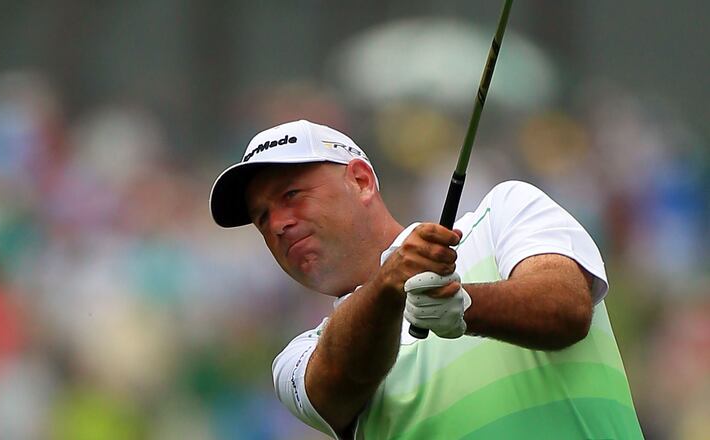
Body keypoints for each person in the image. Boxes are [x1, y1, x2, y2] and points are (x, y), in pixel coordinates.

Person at [210, 120, 643, 439]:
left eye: (291, 196)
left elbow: (566, 308)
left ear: (361, 181)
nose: (278, 224)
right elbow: (338, 381)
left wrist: (466, 305)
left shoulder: (502, 214)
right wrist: (387, 285)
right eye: (261, 217)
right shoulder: (301, 357)